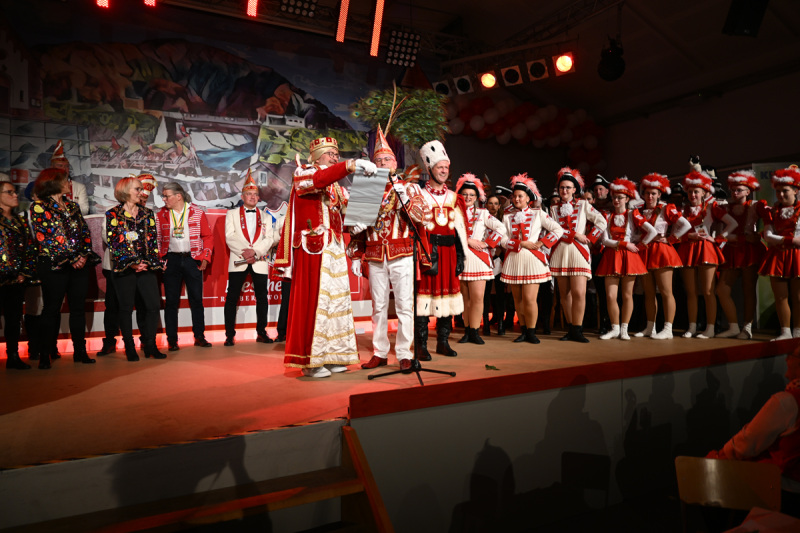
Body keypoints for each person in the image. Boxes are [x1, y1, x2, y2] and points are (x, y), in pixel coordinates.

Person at [274, 136, 376, 378]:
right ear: (317, 155)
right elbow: (320, 179)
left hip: (334, 249)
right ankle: (310, 362)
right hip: (313, 248)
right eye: (331, 153)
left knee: (335, 304)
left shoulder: (336, 187)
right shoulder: (304, 172)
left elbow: (349, 211)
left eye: (337, 154)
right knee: (314, 302)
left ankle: (333, 356)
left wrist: (369, 198)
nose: (335, 157)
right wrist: (350, 165)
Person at [349, 126, 430, 371]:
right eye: (378, 160)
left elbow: (423, 218)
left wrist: (406, 199)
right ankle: (380, 352)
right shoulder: (366, 189)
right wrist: (356, 253)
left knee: (405, 306)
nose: (382, 163)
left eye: (387, 159)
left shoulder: (410, 187)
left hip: (402, 253)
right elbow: (355, 230)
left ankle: (404, 353)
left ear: (395, 163)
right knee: (378, 307)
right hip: (375, 255)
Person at [707, 344, 800, 515]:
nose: (786, 359)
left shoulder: (787, 402)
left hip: (784, 490)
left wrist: (718, 458)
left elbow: (748, 442)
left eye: (791, 356)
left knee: (711, 480)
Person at [30, 168, 100, 368]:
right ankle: (45, 354)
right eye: (65, 179)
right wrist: (72, 258)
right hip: (54, 265)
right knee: (51, 309)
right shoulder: (38, 207)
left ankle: (80, 352)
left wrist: (83, 255)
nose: (69, 182)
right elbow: (48, 238)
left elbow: (84, 232)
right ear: (53, 182)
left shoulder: (72, 205)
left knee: (78, 309)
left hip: (79, 265)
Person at [414, 140, 468, 359]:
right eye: (440, 167)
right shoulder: (419, 195)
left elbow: (461, 230)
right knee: (423, 300)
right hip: (428, 253)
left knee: (448, 298)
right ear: (430, 169)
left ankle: (443, 342)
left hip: (449, 253)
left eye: (446, 167)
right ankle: (421, 344)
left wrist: (461, 255)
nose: (444, 171)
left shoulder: (455, 198)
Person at [106, 177, 165, 361]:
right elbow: (114, 244)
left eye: (141, 189)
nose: (142, 192)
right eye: (137, 189)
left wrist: (147, 262)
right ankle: (129, 347)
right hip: (124, 268)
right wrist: (131, 263)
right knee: (125, 309)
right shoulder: (113, 214)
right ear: (125, 191)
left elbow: (152, 242)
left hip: (146, 267)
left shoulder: (147, 213)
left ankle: (150, 345)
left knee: (153, 307)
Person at [499, 174, 563, 344]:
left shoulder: (538, 214)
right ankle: (523, 330)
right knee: (518, 300)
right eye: (515, 196)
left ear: (528, 198)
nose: (517, 199)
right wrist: (520, 243)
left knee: (529, 299)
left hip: (532, 261)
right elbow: (502, 240)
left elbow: (558, 230)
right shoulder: (507, 216)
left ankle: (532, 331)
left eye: (520, 196)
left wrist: (542, 242)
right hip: (514, 260)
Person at [549, 167, 607, 343]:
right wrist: (575, 235)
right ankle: (571, 328)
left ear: (575, 189)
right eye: (562, 188)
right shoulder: (553, 208)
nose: (564, 190)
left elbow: (601, 221)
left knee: (579, 293)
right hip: (560, 252)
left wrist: (590, 239)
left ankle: (578, 328)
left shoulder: (583, 204)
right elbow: (556, 230)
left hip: (579, 252)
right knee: (564, 294)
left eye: (568, 187)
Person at [677, 170, 737, 339]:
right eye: (690, 191)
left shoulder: (712, 207)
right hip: (688, 248)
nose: (693, 195)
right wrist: (689, 236)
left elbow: (732, 223)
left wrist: (717, 238)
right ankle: (692, 327)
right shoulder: (682, 210)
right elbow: (676, 231)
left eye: (696, 191)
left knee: (708, 291)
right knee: (691, 292)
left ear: (704, 192)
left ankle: (710, 328)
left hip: (706, 249)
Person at [596, 178, 657, 340]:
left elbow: (652, 232)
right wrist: (625, 244)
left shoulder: (632, 214)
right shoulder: (606, 216)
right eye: (614, 197)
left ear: (627, 199)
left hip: (629, 257)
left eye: (620, 197)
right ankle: (615, 328)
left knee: (627, 295)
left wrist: (641, 245)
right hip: (612, 255)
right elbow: (604, 240)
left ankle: (624, 329)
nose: (616, 200)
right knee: (610, 295)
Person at [156, 182, 214, 351]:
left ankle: (199, 336)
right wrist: (160, 260)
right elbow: (157, 240)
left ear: (178, 196)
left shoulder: (197, 212)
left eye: (166, 196)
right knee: (171, 302)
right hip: (171, 260)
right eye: (163, 196)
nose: (164, 199)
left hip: (192, 259)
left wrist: (205, 257)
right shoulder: (160, 215)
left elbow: (207, 237)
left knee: (196, 300)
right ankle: (172, 339)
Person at [635, 173, 691, 340]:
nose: (650, 196)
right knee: (648, 292)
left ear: (659, 194)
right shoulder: (638, 210)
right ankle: (650, 327)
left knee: (666, 291)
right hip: (645, 250)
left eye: (654, 193)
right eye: (647, 193)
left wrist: (671, 239)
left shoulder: (667, 208)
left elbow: (685, 225)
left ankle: (668, 328)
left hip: (661, 251)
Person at [223, 171, 274, 346]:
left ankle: (261, 332)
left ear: (259, 198)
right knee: (232, 298)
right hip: (238, 261)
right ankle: (229, 335)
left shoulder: (266, 216)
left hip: (259, 262)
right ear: (242, 196)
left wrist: (255, 252)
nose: (252, 197)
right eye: (249, 194)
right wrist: (245, 252)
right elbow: (230, 236)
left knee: (262, 298)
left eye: (255, 194)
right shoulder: (232, 214)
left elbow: (269, 238)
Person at [716, 170, 768, 339]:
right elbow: (719, 231)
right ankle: (733, 326)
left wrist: (759, 235)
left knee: (748, 289)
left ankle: (747, 327)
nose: (735, 193)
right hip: (731, 250)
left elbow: (772, 222)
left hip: (749, 250)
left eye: (739, 190)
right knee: (722, 289)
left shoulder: (755, 205)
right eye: (733, 190)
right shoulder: (725, 207)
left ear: (748, 191)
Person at [455, 173, 506, 345]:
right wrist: (468, 240)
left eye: (472, 194)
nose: (468, 197)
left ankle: (475, 331)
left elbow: (501, 228)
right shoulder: (454, 213)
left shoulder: (483, 213)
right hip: (461, 258)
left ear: (477, 197)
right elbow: (451, 233)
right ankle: (467, 331)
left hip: (479, 259)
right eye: (464, 194)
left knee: (477, 297)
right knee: (465, 299)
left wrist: (487, 243)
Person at [759, 167, 800, 341]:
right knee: (781, 297)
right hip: (777, 256)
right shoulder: (772, 211)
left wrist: (782, 240)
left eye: (785, 191)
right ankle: (785, 332)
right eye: (778, 191)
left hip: (797, 256)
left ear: (796, 190)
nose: (781, 195)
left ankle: (798, 331)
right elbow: (768, 236)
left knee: (798, 297)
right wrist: (790, 240)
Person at [0, 178, 36, 369]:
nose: (15, 195)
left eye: (15, 192)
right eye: (10, 192)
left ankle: (12, 356)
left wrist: (24, 272)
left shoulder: (20, 221)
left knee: (14, 319)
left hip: (16, 280)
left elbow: (29, 250)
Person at [590, 174, 613, 335]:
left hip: (611, 252)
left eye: (601, 189)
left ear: (607, 191)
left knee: (612, 291)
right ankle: (603, 322)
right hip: (596, 253)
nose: (598, 192)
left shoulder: (614, 207)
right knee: (600, 290)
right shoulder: (590, 209)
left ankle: (616, 322)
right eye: (596, 190)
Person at [50, 140, 89, 215]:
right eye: (60, 166)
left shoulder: (79, 187)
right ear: (52, 167)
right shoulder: (44, 186)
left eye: (67, 166)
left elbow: (84, 211)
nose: (64, 169)